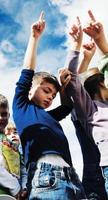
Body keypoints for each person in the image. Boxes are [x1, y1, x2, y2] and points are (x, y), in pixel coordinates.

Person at [12, 12, 86, 199]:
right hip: (46, 176)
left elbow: (67, 107)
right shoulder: (22, 107)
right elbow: (27, 71)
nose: (50, 97)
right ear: (30, 89)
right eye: (46, 91)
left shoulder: (49, 116)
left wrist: (62, 88)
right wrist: (34, 38)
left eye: (53, 95)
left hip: (72, 176)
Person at [64, 12, 108, 197]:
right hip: (98, 173)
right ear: (101, 83)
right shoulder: (90, 110)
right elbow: (73, 83)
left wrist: (101, 40)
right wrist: (76, 47)